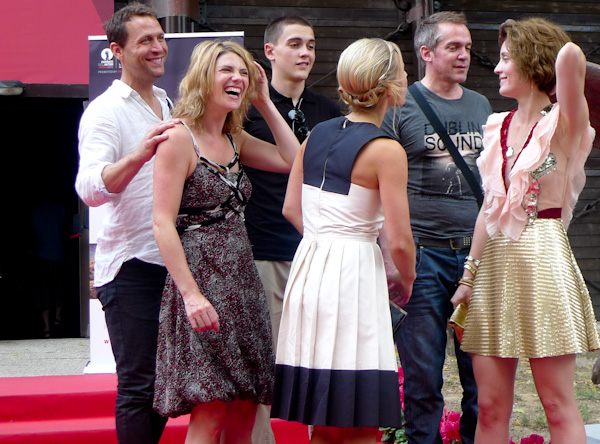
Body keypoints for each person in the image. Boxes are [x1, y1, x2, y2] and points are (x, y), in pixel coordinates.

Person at [452, 18, 600, 444]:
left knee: (556, 403)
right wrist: (468, 276)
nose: (497, 68)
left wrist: (528, 35)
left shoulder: (565, 121)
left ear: (532, 60)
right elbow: (490, 207)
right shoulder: (496, 124)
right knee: (490, 406)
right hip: (494, 265)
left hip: (544, 260)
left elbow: (570, 57)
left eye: (505, 58)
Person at [151, 39, 300, 444]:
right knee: (211, 409)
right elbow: (162, 223)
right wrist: (191, 295)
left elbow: (293, 160)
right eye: (227, 70)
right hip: (201, 282)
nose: (238, 78)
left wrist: (265, 102)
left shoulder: (236, 139)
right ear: (204, 77)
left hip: (242, 282)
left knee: (246, 406)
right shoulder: (178, 138)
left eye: (243, 73)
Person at [272, 37, 416, 444]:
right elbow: (400, 240)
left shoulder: (315, 134)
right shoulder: (386, 150)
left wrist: (327, 240)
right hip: (353, 275)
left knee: (326, 415)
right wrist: (406, 279)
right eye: (403, 71)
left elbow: (291, 209)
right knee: (359, 418)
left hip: (310, 268)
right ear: (390, 88)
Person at [381, 11, 492, 444]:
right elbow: (377, 187)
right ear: (426, 53)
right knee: (423, 379)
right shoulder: (399, 106)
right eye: (454, 47)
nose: (464, 55)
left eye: (467, 47)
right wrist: (390, 258)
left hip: (476, 258)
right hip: (422, 256)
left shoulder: (481, 105)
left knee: (481, 379)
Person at [75, 3, 178, 443]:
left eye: (160, 38)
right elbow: (89, 188)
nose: (158, 47)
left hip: (171, 261)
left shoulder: (168, 102)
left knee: (163, 387)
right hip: (131, 265)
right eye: (145, 41)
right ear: (116, 51)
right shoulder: (105, 111)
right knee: (140, 386)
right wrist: (138, 154)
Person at [242, 15, 341, 444]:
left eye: (311, 45)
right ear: (270, 51)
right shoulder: (247, 111)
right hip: (265, 248)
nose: (306, 53)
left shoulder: (328, 111)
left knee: (323, 361)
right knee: (264, 362)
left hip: (322, 251)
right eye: (296, 44)